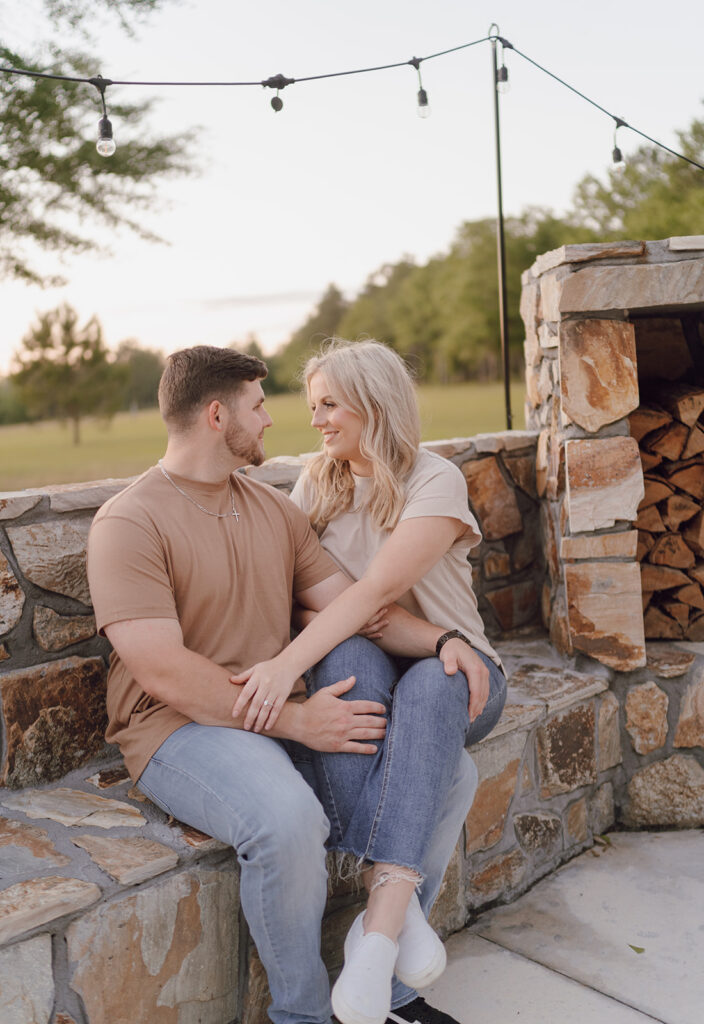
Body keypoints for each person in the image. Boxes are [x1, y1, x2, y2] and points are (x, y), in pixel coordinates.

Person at [85, 344, 479, 1024]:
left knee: (455, 772)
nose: (272, 421)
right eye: (258, 406)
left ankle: (383, 985)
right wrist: (297, 722)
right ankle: (302, 1014)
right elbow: (161, 670)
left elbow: (361, 609)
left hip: (274, 710)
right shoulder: (130, 521)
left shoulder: (276, 512)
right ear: (217, 414)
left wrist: (442, 642)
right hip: (179, 727)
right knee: (288, 822)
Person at [230, 339, 508, 1024]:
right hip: (378, 667)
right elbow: (306, 602)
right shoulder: (315, 486)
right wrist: (350, 621)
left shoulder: (433, 479)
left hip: (462, 672)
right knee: (351, 654)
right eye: (313, 404)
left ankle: (377, 923)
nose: (316, 419)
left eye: (330, 404)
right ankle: (392, 927)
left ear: (373, 402)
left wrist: (288, 664)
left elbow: (380, 590)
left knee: (430, 684)